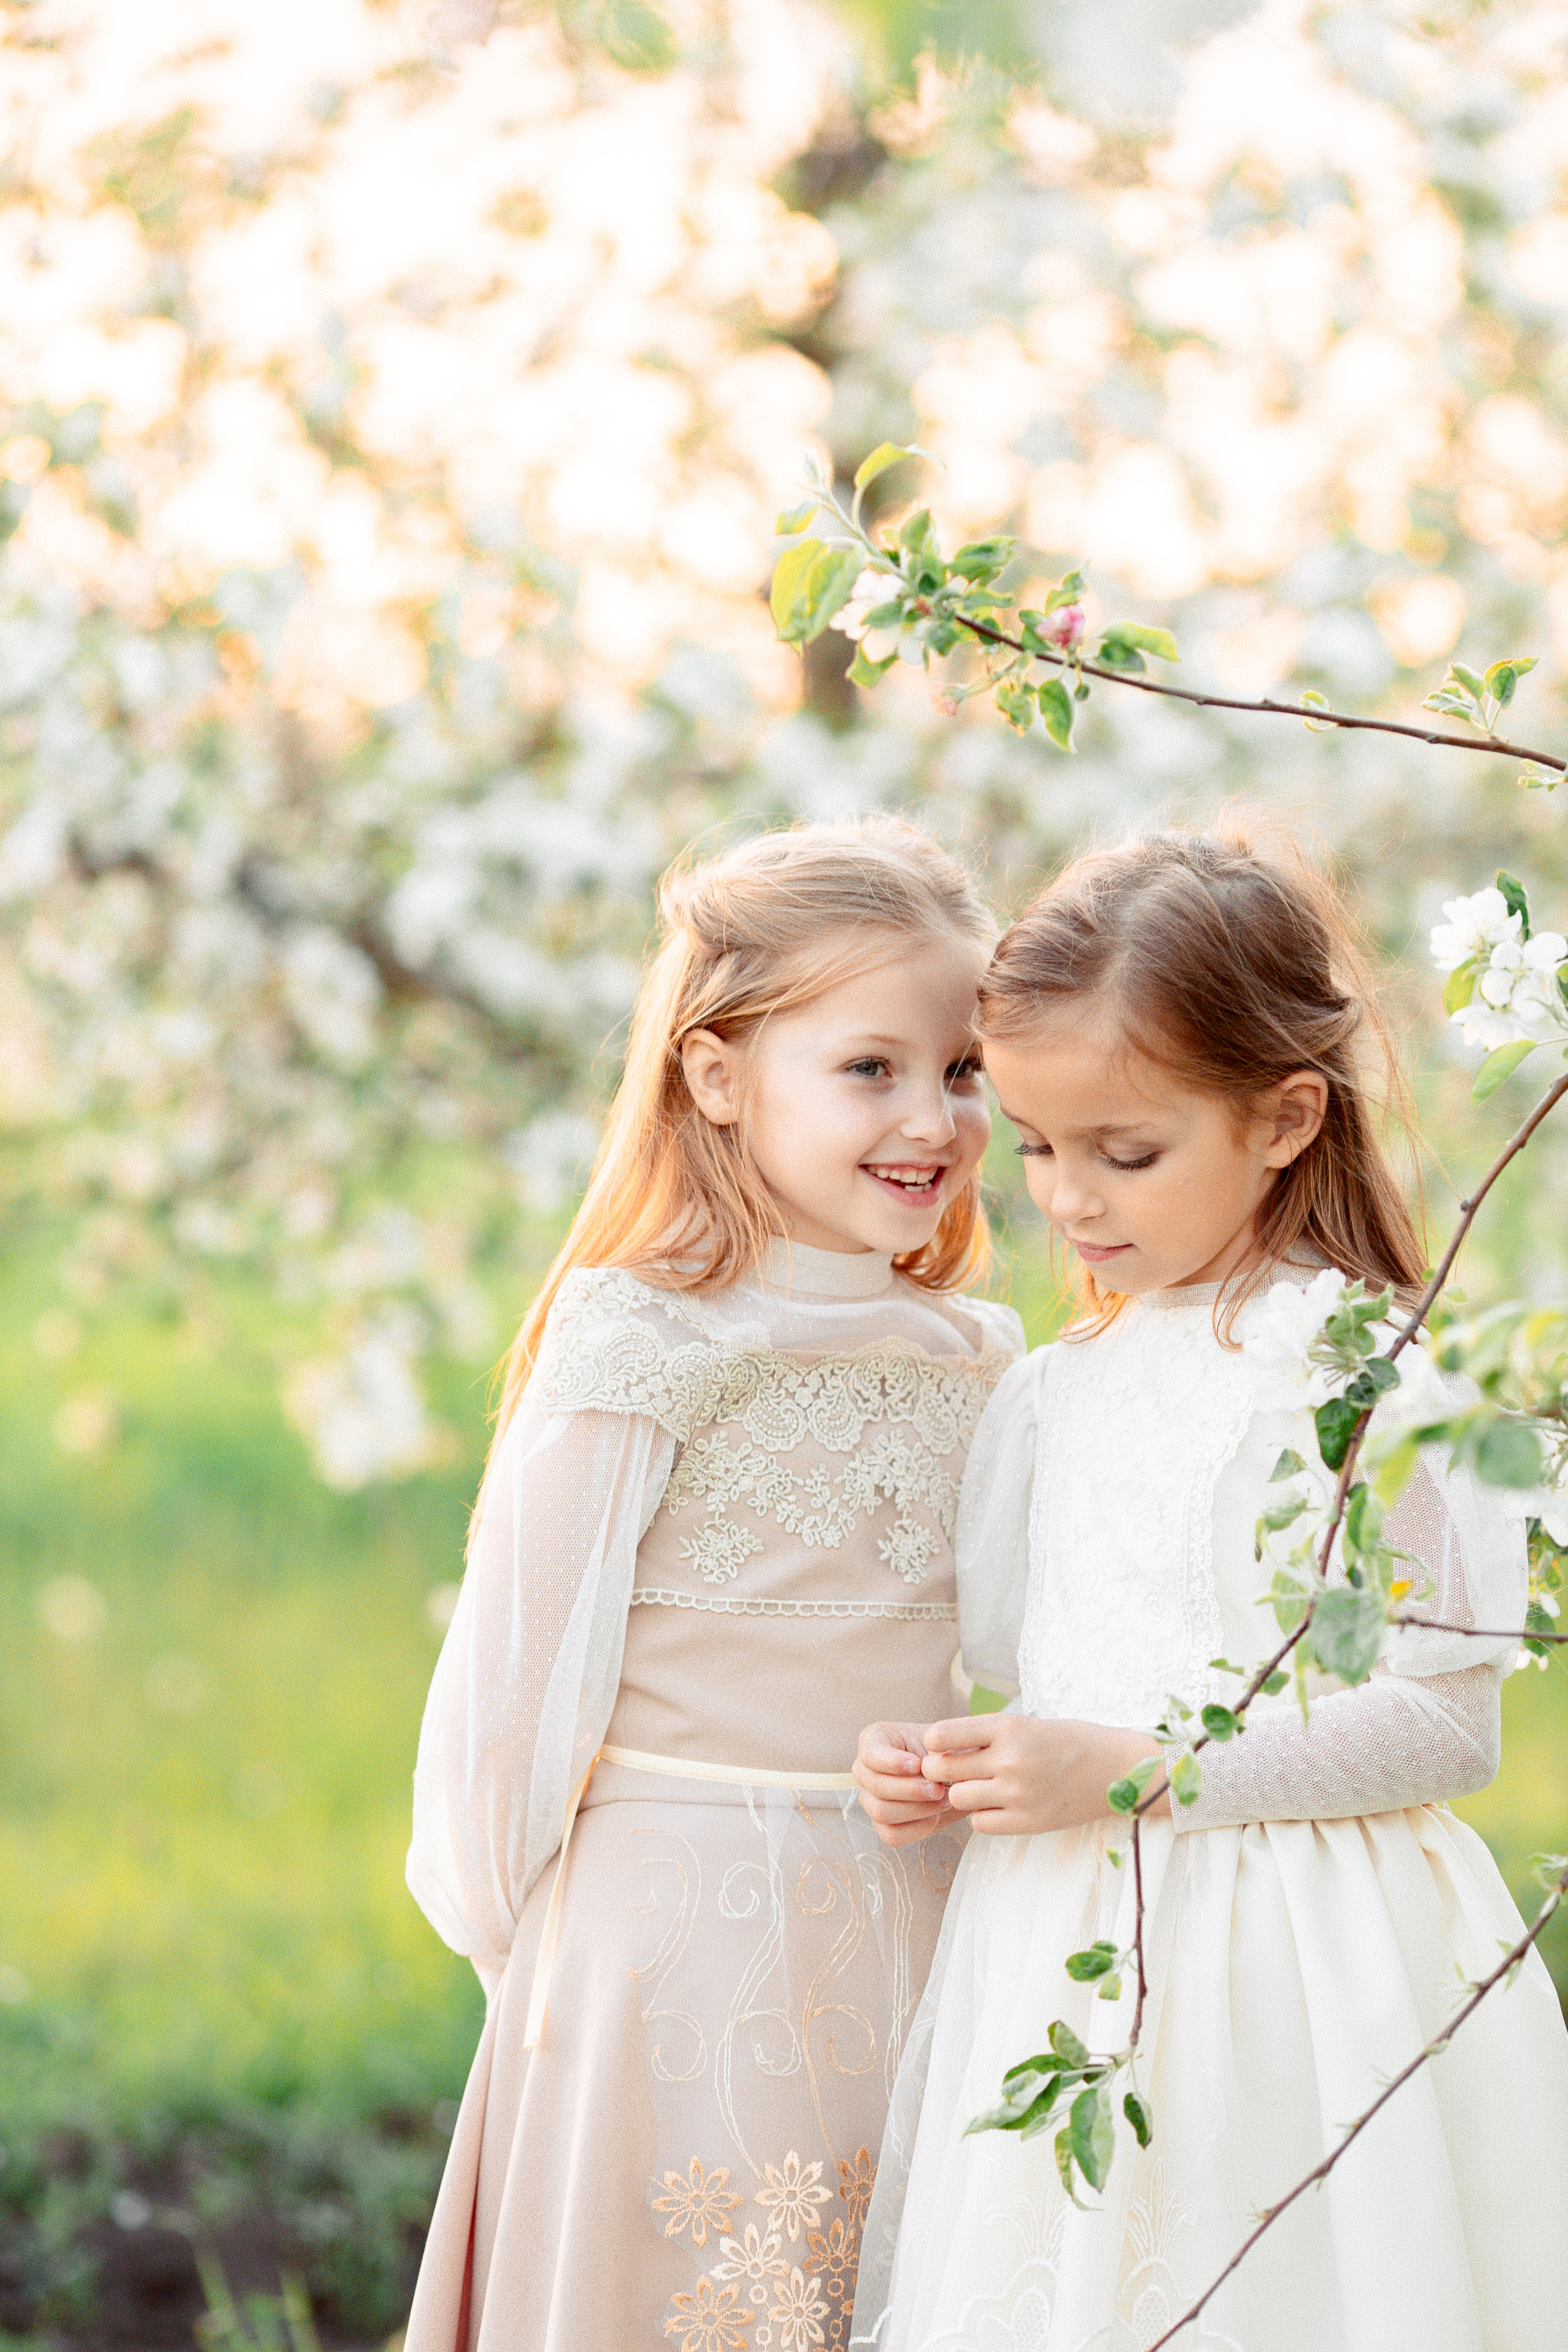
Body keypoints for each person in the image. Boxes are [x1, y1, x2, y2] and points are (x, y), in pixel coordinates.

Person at [851, 824, 1568, 2352]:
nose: (1070, 1202)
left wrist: (1143, 1772)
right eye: (1036, 1147)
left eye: (1125, 1153)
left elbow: (1447, 1732)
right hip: (1065, 1953)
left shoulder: (1365, 1370)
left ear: (1282, 1117)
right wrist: (953, 1771)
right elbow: (1032, 1684)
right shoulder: (1052, 1394)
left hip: (1304, 1962)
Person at [401, 816, 1025, 2352]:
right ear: (718, 1075)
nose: (931, 1119)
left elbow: (1015, 1647)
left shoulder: (980, 1360)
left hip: (921, 1918)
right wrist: (549, 1963)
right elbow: (506, 1712)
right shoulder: (641, 1343)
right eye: (868, 1068)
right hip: (664, 1954)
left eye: (960, 1070)